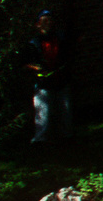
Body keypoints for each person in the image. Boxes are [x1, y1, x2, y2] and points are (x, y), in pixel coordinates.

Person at [21, 10, 70, 144]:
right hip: (43, 84)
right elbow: (24, 64)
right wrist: (36, 68)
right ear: (38, 24)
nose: (48, 23)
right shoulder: (33, 44)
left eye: (50, 20)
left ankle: (65, 139)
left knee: (65, 113)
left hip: (61, 82)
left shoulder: (60, 39)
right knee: (43, 116)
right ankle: (40, 141)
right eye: (44, 21)